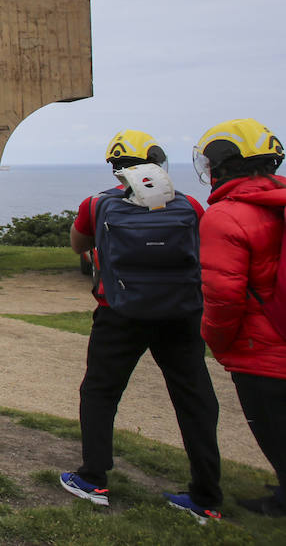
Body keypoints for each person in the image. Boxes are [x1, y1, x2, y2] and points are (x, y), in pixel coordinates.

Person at [58, 129, 222, 522]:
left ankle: (93, 479)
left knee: (100, 391)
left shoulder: (96, 205)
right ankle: (206, 497)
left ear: (116, 168)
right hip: (180, 314)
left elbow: (79, 246)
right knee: (194, 398)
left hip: (120, 311)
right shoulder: (189, 205)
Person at [194, 118, 286, 518]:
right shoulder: (278, 204)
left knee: (273, 429)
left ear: (223, 165)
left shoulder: (226, 216)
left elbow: (222, 296)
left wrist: (216, 340)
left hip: (259, 346)